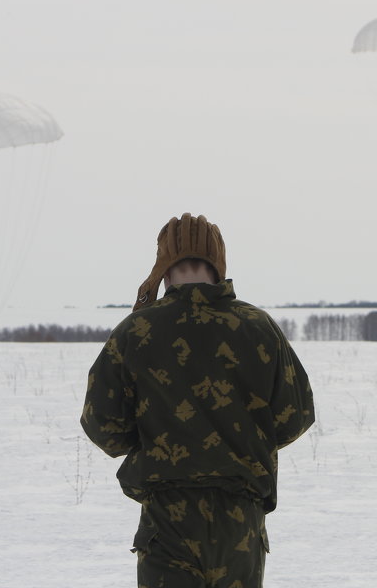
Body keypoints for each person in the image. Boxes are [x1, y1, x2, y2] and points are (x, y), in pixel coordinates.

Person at [81, 213, 315, 588]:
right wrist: (242, 442)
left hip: (167, 519)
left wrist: (153, 440)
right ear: (218, 266)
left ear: (164, 269)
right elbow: (296, 415)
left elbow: (102, 426)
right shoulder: (259, 327)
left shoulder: (135, 331)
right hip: (241, 516)